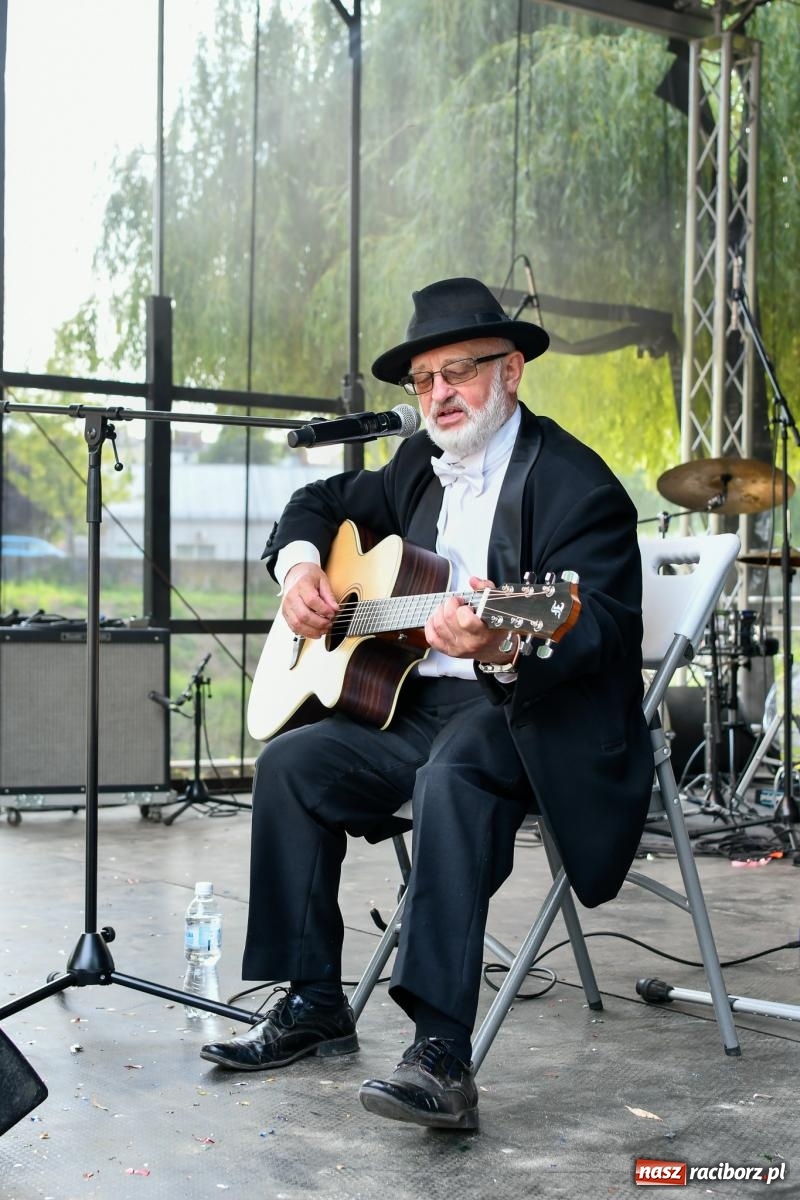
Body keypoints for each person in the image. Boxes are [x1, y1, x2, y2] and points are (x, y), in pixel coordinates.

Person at [200, 276, 653, 1131]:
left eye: (458, 372)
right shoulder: (416, 464)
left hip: (529, 716)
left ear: (511, 371)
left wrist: (505, 640)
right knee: (292, 762)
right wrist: (301, 570)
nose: (438, 394)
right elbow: (317, 504)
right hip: (413, 710)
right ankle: (313, 1001)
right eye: (423, 381)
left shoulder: (576, 485)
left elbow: (600, 627)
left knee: (457, 769)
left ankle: (442, 1054)